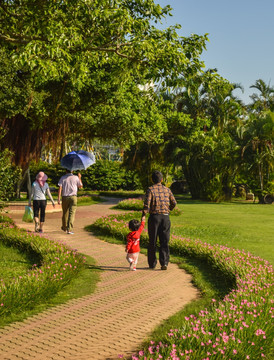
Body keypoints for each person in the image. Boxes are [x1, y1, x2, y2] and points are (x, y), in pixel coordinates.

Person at [142, 170, 177, 270]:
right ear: (161, 179)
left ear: (152, 180)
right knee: (164, 240)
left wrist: (143, 215)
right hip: (165, 217)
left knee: (152, 241)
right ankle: (164, 262)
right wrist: (168, 209)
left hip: (154, 218)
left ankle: (152, 263)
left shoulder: (150, 189)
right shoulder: (167, 190)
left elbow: (146, 205)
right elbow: (174, 202)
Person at [58, 169, 83, 234]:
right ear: (72, 171)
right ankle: (69, 229)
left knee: (65, 212)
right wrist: (80, 177)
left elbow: (60, 188)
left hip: (65, 197)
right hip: (73, 197)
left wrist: (58, 198)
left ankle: (64, 227)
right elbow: (80, 186)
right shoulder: (76, 177)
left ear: (66, 171)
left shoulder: (63, 178)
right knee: (72, 213)